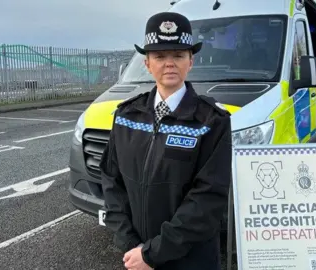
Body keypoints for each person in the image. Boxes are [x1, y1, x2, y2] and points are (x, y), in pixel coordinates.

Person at [99, 11, 233, 270]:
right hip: (137, 257)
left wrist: (153, 253)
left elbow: (207, 199)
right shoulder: (125, 116)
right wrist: (131, 245)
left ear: (190, 61)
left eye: (178, 55)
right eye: (160, 56)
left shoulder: (211, 121)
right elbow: (111, 183)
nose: (169, 63)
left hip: (191, 260)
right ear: (147, 63)